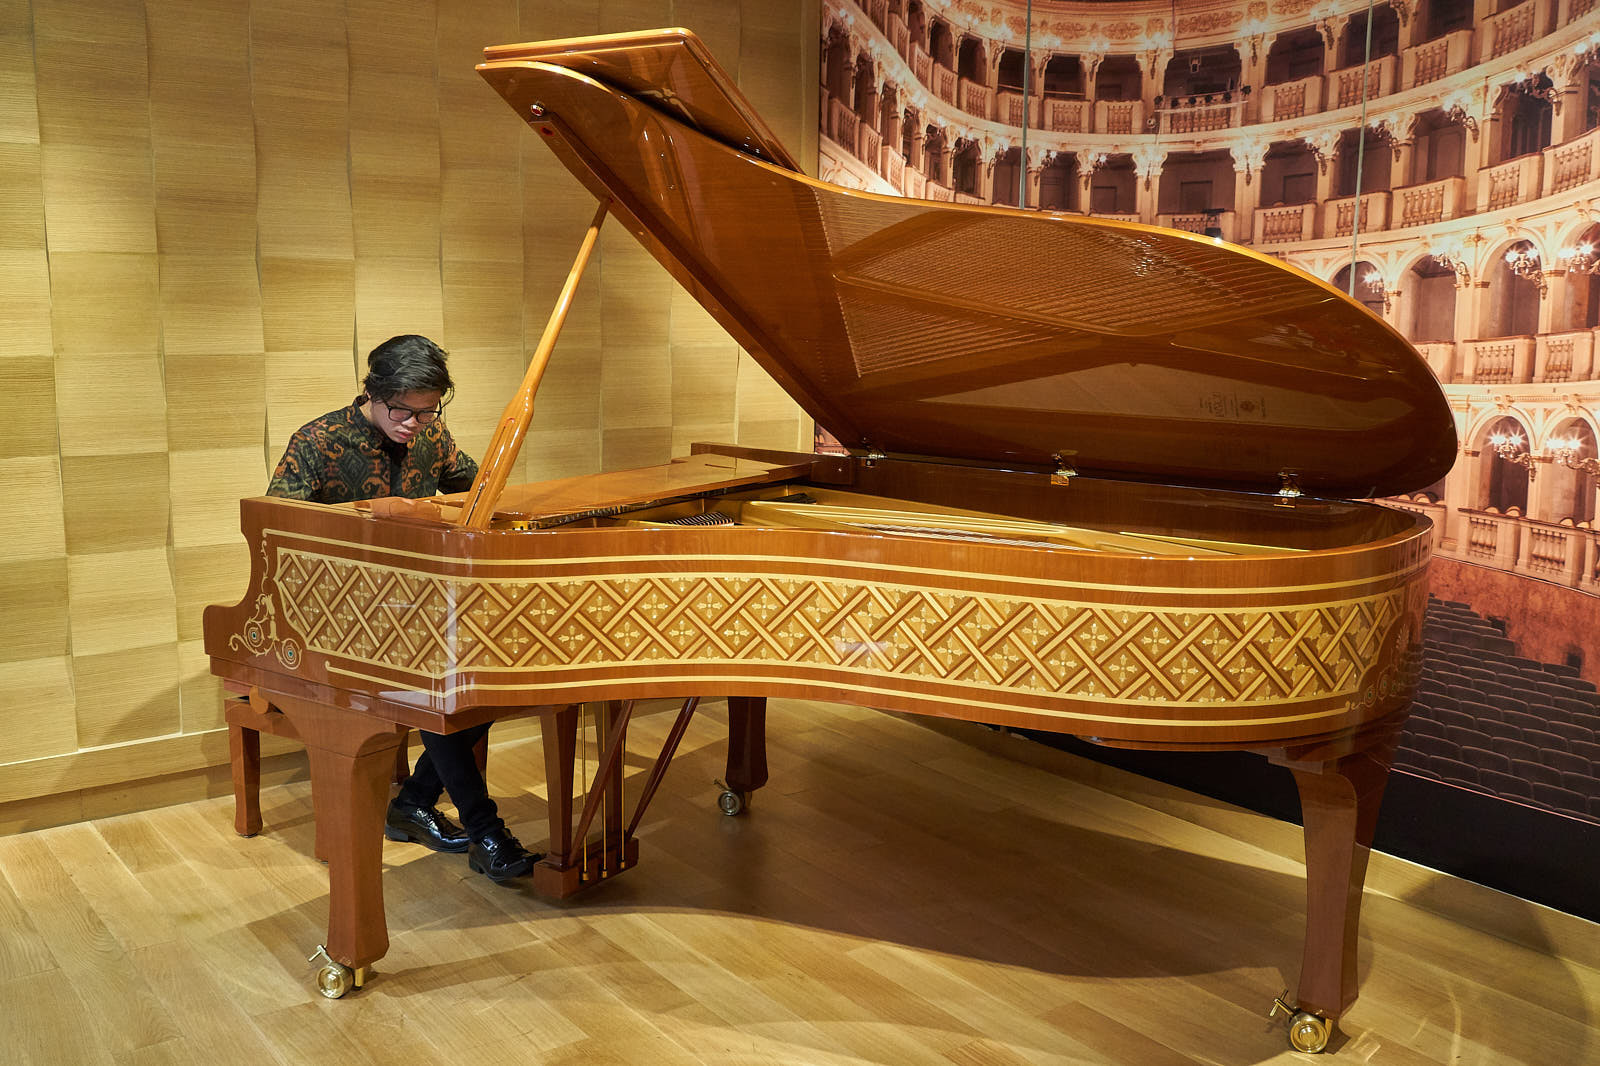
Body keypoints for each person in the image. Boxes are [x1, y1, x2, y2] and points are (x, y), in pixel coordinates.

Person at [267, 334, 539, 883]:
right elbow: (279, 531)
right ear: (373, 393)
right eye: (403, 410)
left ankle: (415, 800)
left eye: (427, 410)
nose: (415, 423)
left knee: (487, 673)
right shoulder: (317, 441)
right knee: (433, 680)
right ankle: (485, 831)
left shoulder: (430, 436)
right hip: (336, 615)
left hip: (414, 609)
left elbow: (477, 489)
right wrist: (374, 512)